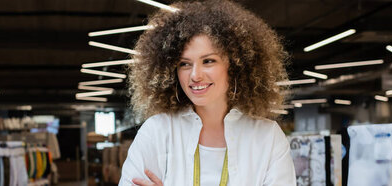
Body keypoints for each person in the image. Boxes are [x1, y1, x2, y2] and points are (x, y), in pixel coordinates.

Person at [120, 0, 295, 185]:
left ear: (236, 65)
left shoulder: (267, 137)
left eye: (208, 61)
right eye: (185, 64)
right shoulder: (157, 131)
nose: (195, 75)